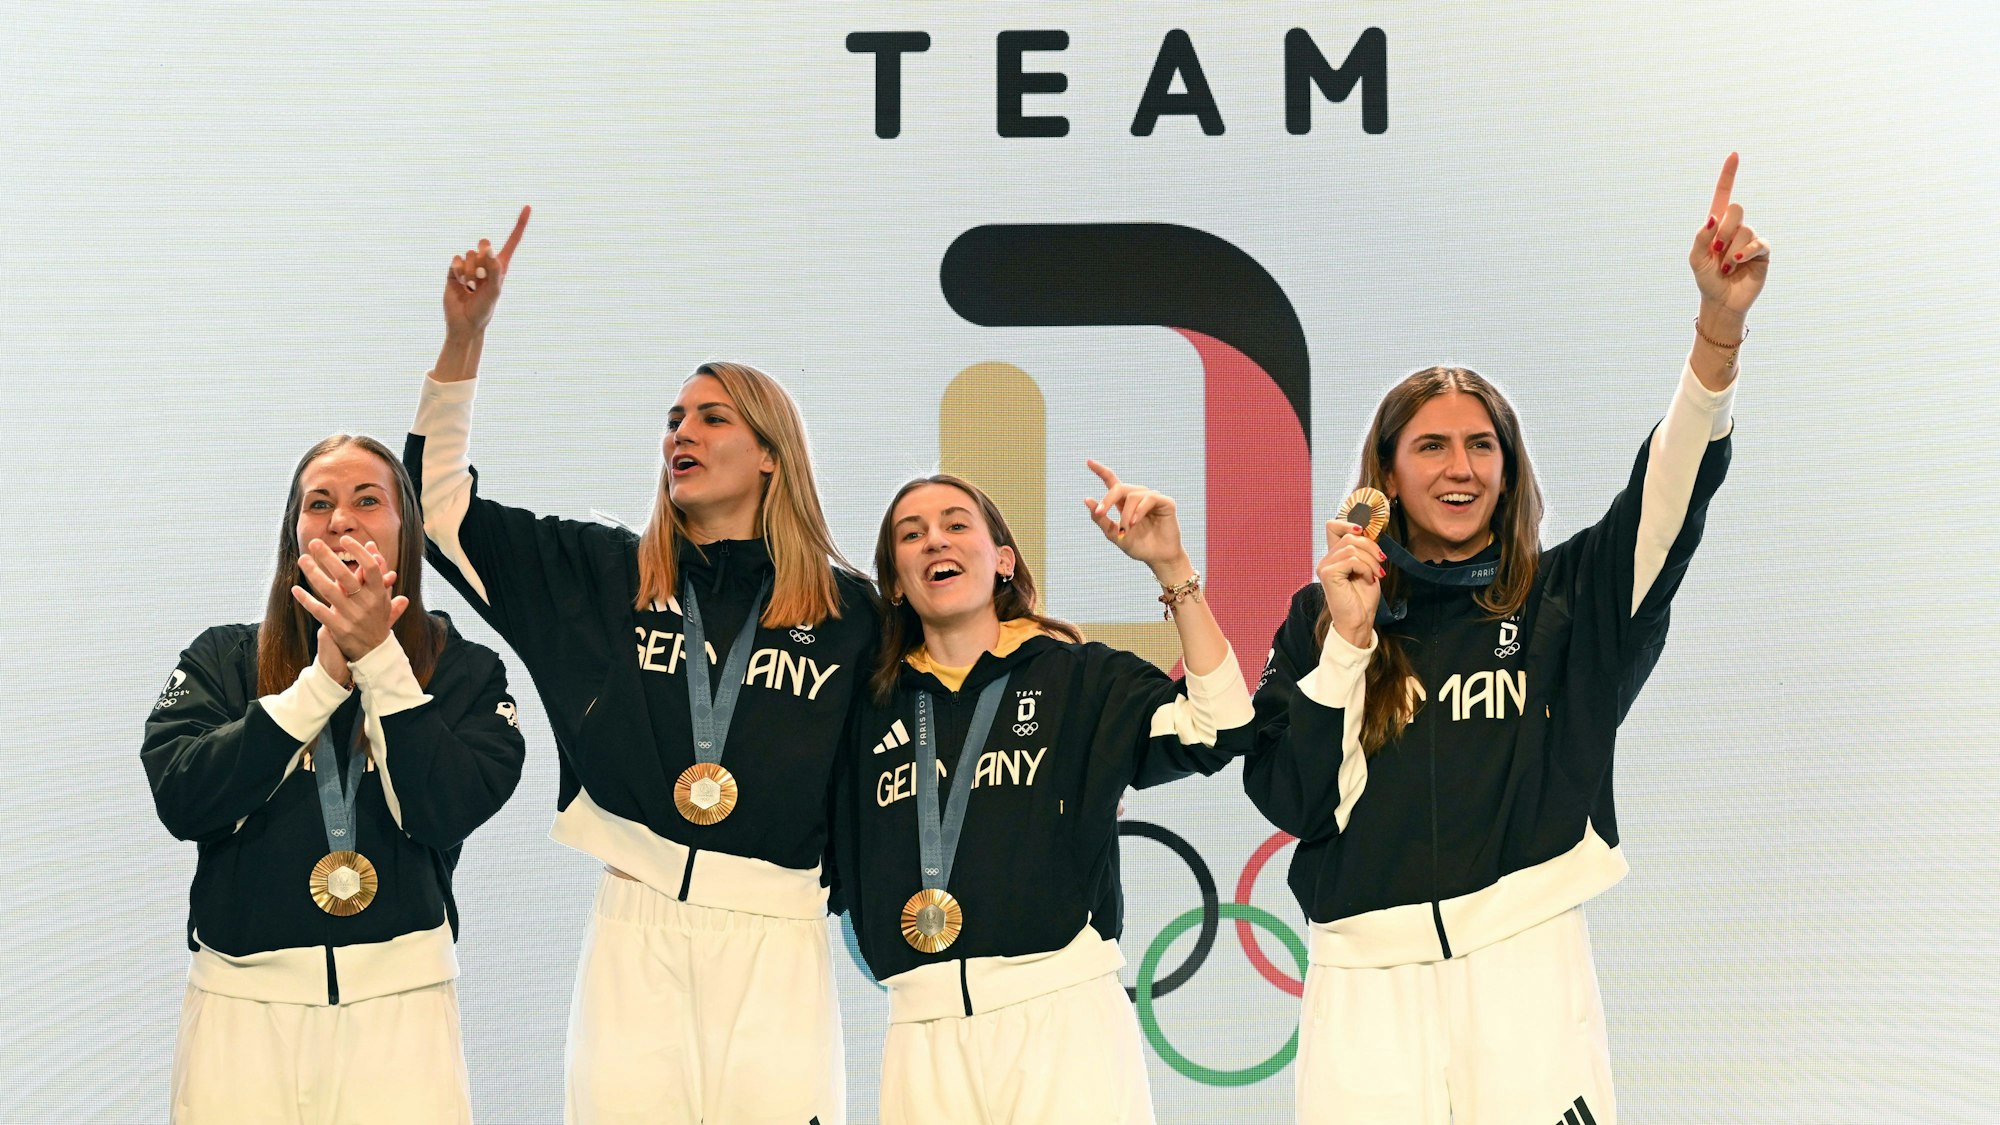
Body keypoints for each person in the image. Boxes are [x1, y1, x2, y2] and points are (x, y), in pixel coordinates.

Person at [1243, 154, 1770, 1124]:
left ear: (1508, 466)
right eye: (1431, 446)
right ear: (1387, 475)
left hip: (1526, 965)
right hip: (1364, 985)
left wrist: (1716, 331)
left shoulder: (1570, 598)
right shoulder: (1322, 615)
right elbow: (1288, 796)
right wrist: (1347, 646)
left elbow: (1670, 491)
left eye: (1480, 445)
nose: (1460, 467)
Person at [405, 208, 877, 1124]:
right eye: (672, 420)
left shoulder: (852, 615)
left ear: (772, 455)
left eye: (710, 417)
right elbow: (437, 509)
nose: (679, 434)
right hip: (635, 927)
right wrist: (464, 341)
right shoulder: (604, 576)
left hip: (779, 941)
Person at [834, 464, 1254, 1123]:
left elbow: (1221, 726)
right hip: (920, 1031)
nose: (935, 540)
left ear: (1003, 559)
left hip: (1063, 1018)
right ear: (893, 580)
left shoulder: (1079, 678)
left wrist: (1172, 569)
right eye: (911, 534)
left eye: (955, 525)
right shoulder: (865, 706)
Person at [143, 434, 526, 1123]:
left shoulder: (467, 671)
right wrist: (319, 685)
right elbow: (184, 799)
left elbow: (443, 810)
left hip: (401, 1016)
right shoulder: (221, 659)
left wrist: (380, 659)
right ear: (293, 533)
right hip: (240, 1015)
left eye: (367, 500)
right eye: (318, 504)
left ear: (406, 529)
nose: (341, 519)